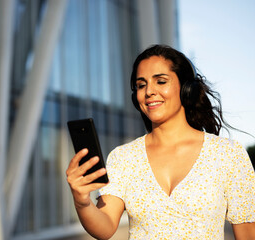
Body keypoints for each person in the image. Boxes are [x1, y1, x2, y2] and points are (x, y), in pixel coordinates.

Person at [66, 45, 255, 239]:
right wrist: (82, 201)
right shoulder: (123, 157)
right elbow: (104, 227)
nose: (149, 91)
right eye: (141, 85)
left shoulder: (228, 154)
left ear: (186, 89)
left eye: (161, 81)